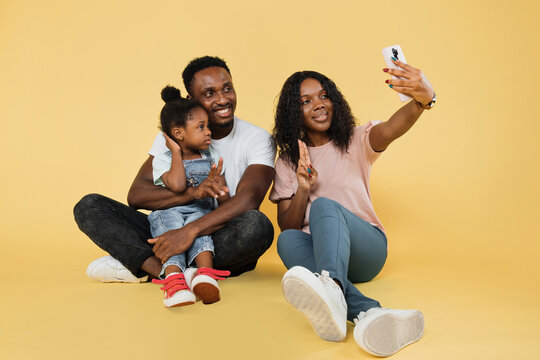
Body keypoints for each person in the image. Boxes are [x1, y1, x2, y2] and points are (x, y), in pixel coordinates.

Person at [270, 59, 435, 357]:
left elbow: (393, 128)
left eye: (323, 96)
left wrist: (423, 100)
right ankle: (367, 312)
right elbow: (289, 226)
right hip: (321, 255)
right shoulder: (287, 162)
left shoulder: (357, 140)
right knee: (285, 240)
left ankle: (332, 289)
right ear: (294, 113)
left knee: (323, 207)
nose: (318, 105)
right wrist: (303, 189)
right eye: (306, 101)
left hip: (366, 250)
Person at [74, 56, 276, 283]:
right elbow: (137, 196)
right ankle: (167, 271)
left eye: (227, 89)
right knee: (90, 206)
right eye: (209, 94)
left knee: (257, 226)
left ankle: (150, 266)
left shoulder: (258, 139)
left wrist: (189, 232)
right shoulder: (175, 134)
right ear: (192, 99)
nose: (222, 99)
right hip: (166, 228)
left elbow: (248, 200)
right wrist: (191, 194)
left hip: (216, 235)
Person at [148, 85, 231, 307]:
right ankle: (174, 282)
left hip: (200, 211)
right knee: (171, 235)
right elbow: (176, 185)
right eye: (201, 127)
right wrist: (176, 152)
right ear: (178, 133)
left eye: (208, 127)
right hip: (168, 214)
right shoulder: (163, 159)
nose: (209, 132)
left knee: (201, 235)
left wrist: (218, 189)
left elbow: (224, 198)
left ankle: (205, 275)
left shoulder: (212, 155)